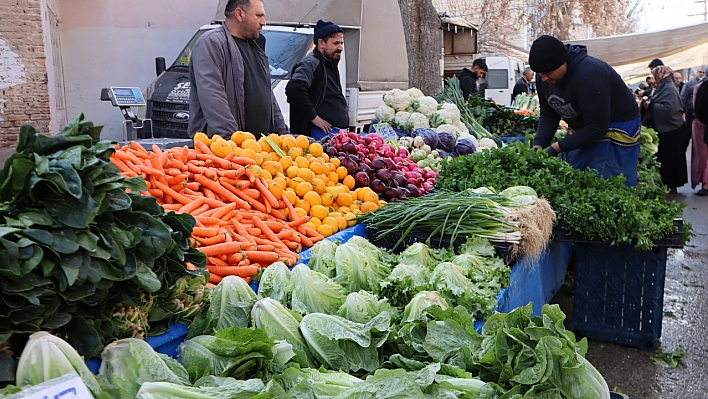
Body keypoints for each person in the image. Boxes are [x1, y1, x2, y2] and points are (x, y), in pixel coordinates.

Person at [528, 35, 641, 186]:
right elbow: (549, 114)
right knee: (581, 179)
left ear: (563, 62)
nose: (544, 79)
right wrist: (539, 145)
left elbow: (596, 128)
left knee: (606, 183)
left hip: (616, 127)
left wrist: (556, 148)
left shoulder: (589, 74)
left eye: (548, 73)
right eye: (540, 74)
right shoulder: (544, 77)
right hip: (586, 127)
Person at [188, 0, 288, 138]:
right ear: (239, 14)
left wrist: (283, 134)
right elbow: (213, 95)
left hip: (261, 149)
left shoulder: (256, 48)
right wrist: (232, 140)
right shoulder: (211, 43)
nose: (263, 22)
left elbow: (268, 96)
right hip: (228, 149)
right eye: (259, 15)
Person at [285, 20, 348, 138]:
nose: (340, 48)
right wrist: (314, 117)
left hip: (333, 134)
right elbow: (294, 89)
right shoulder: (311, 63)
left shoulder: (330, 64)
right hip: (316, 134)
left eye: (341, 43)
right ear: (321, 43)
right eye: (336, 43)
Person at [646, 65, 690, 192]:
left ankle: (671, 185)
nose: (654, 78)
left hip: (673, 130)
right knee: (667, 159)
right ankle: (667, 183)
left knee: (672, 159)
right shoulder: (663, 86)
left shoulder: (669, 88)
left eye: (655, 75)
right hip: (669, 130)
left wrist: (651, 105)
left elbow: (669, 109)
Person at [690, 66, 708, 195]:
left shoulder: (701, 87)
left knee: (702, 155)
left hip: (702, 125)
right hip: (703, 124)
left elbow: (698, 107)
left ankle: (705, 183)